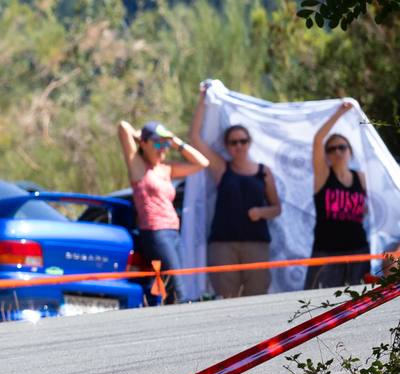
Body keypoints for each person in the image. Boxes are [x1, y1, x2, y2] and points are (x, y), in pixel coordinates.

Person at [189, 86, 282, 298]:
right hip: (223, 245)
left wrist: (261, 212)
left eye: (243, 141)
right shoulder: (222, 168)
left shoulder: (263, 171)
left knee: (256, 298)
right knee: (227, 301)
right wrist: (203, 100)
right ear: (226, 145)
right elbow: (195, 138)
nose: (239, 146)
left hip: (256, 244)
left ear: (249, 143)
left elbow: (277, 208)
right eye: (233, 142)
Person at [117, 118, 209, 304]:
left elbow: (202, 163)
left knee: (171, 286)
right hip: (155, 232)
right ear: (144, 143)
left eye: (165, 144)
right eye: (158, 143)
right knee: (177, 289)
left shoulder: (166, 169)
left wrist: (175, 142)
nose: (163, 148)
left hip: (174, 232)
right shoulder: (139, 166)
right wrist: (140, 136)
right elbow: (122, 126)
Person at [304, 100, 370, 290]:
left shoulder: (361, 177)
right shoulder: (323, 176)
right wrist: (339, 114)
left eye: (342, 147)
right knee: (319, 303)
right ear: (326, 155)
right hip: (327, 252)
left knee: (358, 302)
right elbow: (318, 141)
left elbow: (368, 208)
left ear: (350, 151)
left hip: (358, 250)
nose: (338, 151)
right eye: (332, 149)